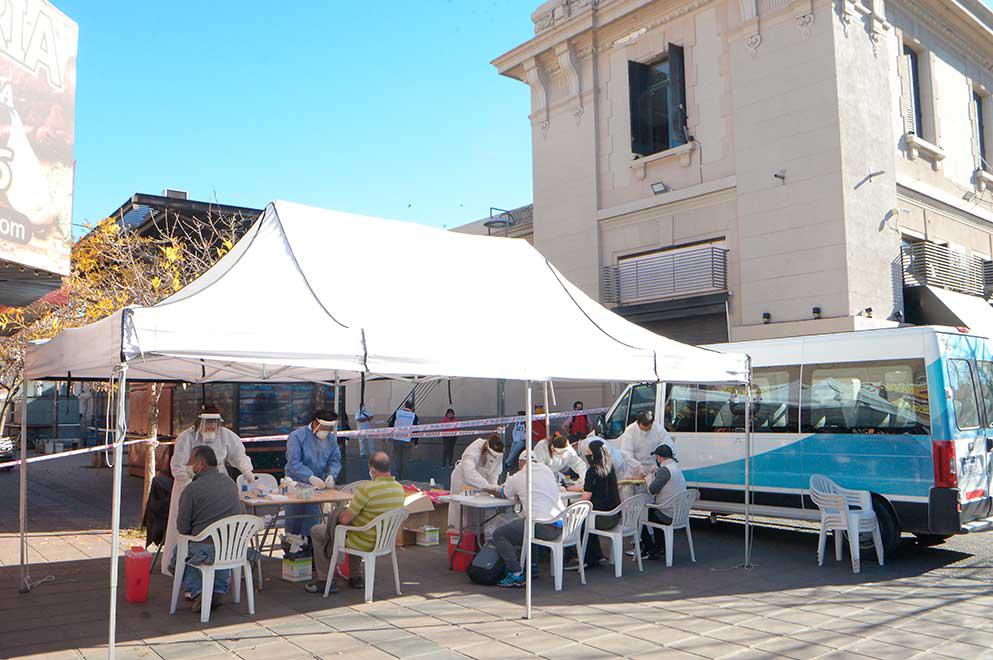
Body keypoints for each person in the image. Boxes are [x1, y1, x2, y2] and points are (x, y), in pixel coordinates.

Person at [164, 405, 254, 575]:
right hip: (188, 485)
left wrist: (247, 470)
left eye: (214, 423)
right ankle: (183, 568)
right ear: (199, 422)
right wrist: (192, 485)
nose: (211, 427)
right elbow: (177, 466)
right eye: (208, 423)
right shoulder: (186, 437)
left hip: (218, 485)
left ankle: (223, 564)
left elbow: (239, 455)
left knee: (220, 526)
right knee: (186, 526)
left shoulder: (226, 435)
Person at [306, 451, 405, 593]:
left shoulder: (367, 489)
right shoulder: (399, 489)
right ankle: (355, 576)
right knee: (357, 526)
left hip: (363, 540)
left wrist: (339, 513)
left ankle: (324, 579)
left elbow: (344, 519)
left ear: (372, 470)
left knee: (317, 530)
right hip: (386, 541)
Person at [168, 446, 244, 612]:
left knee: (180, 553)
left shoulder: (192, 489)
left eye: (190, 462)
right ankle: (217, 590)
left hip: (205, 548)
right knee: (203, 547)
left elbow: (182, 527)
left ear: (201, 464)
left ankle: (199, 592)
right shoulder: (230, 483)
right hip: (232, 549)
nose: (187, 466)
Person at [484, 451, 565, 588]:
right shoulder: (547, 470)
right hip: (561, 525)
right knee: (528, 525)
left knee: (500, 534)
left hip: (541, 526)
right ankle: (532, 567)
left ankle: (516, 573)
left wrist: (487, 489)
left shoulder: (517, 477)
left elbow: (504, 493)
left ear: (520, 463)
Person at [284, 410, 342, 539]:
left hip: (317, 488)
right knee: (294, 522)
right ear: (315, 423)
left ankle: (310, 546)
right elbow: (294, 463)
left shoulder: (331, 439)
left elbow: (335, 461)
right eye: (324, 427)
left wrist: (331, 475)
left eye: (329, 428)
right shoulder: (297, 436)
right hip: (296, 485)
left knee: (313, 522)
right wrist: (309, 477)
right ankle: (292, 545)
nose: (326, 431)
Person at [567, 439, 621, 570]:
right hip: (614, 516)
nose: (587, 455)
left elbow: (586, 498)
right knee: (587, 518)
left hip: (600, 518)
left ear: (594, 454)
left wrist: (571, 510)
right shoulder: (609, 468)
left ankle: (583, 557)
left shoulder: (592, 471)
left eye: (588, 453)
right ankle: (596, 555)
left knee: (577, 520)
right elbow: (591, 488)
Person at [447, 433, 504, 529]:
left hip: (481, 484)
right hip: (463, 481)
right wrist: (488, 486)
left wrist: (494, 487)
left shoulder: (499, 455)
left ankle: (477, 534)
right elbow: (469, 473)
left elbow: (495, 473)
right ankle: (458, 532)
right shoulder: (473, 450)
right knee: (461, 511)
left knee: (478, 511)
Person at [641, 443, 686, 561]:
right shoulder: (675, 468)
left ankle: (650, 548)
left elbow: (652, 490)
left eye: (656, 457)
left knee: (639, 515)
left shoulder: (665, 470)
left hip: (667, 515)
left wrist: (649, 479)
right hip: (680, 514)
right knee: (653, 511)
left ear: (659, 457)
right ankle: (660, 547)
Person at [617, 410, 671, 481]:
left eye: (648, 430)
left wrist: (658, 464)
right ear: (638, 423)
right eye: (642, 430)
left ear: (652, 423)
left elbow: (668, 447)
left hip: (653, 468)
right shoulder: (630, 431)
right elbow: (626, 453)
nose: (645, 432)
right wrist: (638, 466)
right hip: (635, 469)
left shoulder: (659, 430)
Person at [391, 401, 418, 481]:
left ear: (405, 405)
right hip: (407, 440)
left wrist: (391, 435)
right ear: (412, 407)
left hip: (396, 438)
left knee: (397, 459)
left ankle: (397, 477)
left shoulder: (397, 413)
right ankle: (404, 479)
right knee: (405, 460)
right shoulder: (414, 416)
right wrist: (416, 442)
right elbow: (416, 430)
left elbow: (391, 424)